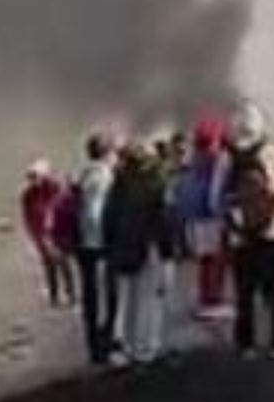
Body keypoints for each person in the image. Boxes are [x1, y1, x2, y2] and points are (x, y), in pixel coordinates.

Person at [222, 102, 274, 358]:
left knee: (245, 295)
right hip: (273, 234)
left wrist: (234, 224)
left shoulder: (227, 157)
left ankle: (246, 344)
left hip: (241, 237)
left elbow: (217, 198)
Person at [104, 139, 172, 367]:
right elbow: (163, 223)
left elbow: (109, 217)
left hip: (122, 249)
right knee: (148, 301)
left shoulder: (119, 183)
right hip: (146, 248)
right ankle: (145, 349)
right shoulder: (155, 184)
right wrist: (167, 253)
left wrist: (109, 246)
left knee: (126, 300)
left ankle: (125, 346)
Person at [71, 133, 118, 365]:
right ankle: (105, 345)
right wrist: (108, 237)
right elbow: (96, 213)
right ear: (107, 152)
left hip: (83, 245)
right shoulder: (105, 176)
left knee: (91, 297)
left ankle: (94, 345)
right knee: (108, 296)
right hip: (100, 244)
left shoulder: (82, 174)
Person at [178, 115, 230, 318]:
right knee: (216, 260)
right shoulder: (218, 158)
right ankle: (214, 299)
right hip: (211, 215)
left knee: (204, 260)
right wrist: (219, 211)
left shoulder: (193, 159)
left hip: (195, 216)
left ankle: (205, 298)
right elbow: (216, 189)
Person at [19, 161, 76, 307]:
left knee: (63, 262)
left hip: (57, 233)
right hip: (41, 234)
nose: (33, 181)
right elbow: (27, 217)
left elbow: (63, 209)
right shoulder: (28, 195)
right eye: (31, 178)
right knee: (48, 264)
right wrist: (35, 237)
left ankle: (70, 294)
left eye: (35, 177)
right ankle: (54, 295)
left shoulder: (55, 188)